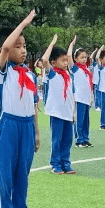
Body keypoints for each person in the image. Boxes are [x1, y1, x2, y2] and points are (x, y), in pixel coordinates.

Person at [0, 10, 40, 208]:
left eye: (24, 46)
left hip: (27, 126)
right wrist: (23, 24)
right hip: (8, 126)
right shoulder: (2, 71)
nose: (23, 50)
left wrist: (36, 132)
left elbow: (33, 105)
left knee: (23, 173)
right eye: (18, 45)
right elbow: (4, 48)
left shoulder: (29, 75)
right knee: (6, 173)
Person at [42, 35, 77, 174]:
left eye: (66, 60)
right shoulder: (52, 74)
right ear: (54, 62)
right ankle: (55, 164)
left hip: (68, 112)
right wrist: (52, 44)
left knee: (67, 140)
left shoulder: (68, 74)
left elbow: (72, 95)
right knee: (56, 139)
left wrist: (74, 113)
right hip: (57, 112)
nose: (66, 62)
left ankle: (66, 163)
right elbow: (44, 59)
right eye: (62, 60)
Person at [72, 46, 95, 149]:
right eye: (81, 57)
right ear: (75, 59)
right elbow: (68, 56)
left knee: (86, 120)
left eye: (85, 57)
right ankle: (79, 140)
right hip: (79, 98)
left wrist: (91, 96)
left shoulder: (86, 69)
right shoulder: (75, 68)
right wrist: (72, 44)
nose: (84, 59)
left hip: (86, 98)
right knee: (79, 120)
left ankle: (85, 138)